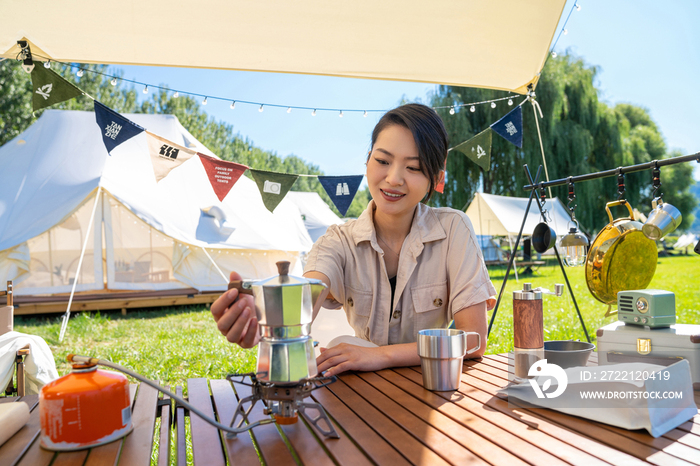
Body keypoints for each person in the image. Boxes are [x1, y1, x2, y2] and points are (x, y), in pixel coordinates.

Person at [211, 103, 496, 377]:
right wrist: (265, 319)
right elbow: (308, 295)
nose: (394, 178)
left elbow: (473, 340)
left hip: (432, 390)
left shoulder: (454, 229)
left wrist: (381, 356)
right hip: (361, 397)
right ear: (367, 160)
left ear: (435, 177)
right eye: (383, 161)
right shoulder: (338, 241)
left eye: (414, 168)